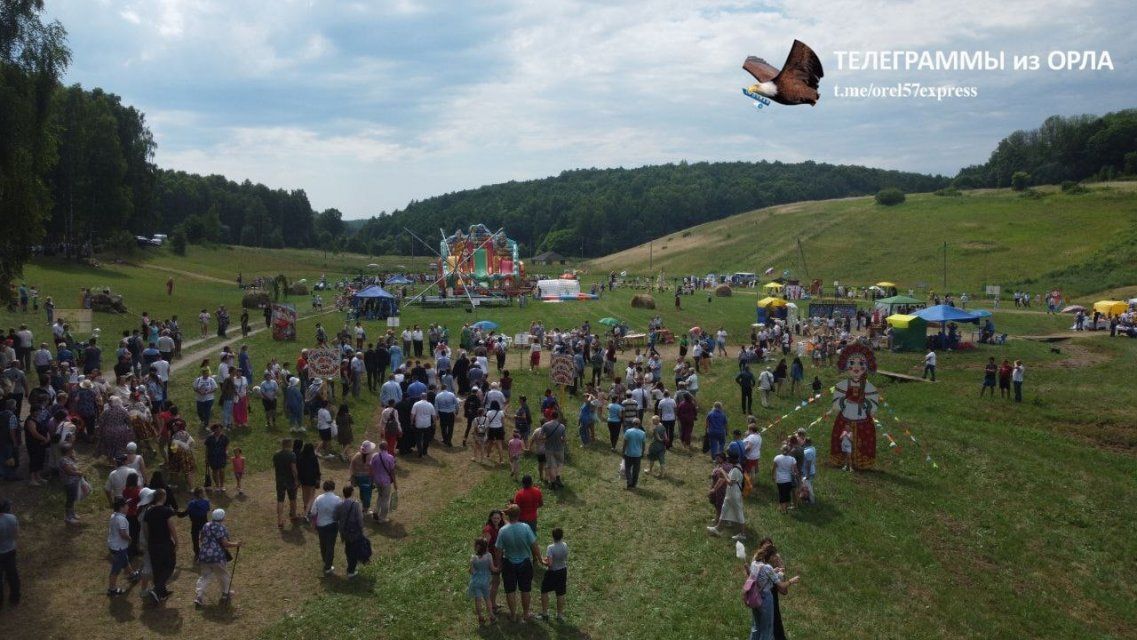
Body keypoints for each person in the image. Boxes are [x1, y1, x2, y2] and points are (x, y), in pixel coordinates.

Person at [494, 504, 543, 623]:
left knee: (510, 590)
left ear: (508, 516)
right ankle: (526, 614)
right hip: (525, 562)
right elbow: (534, 545)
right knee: (525, 590)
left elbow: (498, 550)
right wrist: (540, 559)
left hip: (509, 563)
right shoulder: (525, 527)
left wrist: (498, 565)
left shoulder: (503, 530)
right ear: (519, 514)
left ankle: (513, 615)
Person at [745, 542, 799, 640]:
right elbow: (782, 585)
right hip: (766, 600)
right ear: (770, 556)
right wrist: (791, 581)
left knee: (756, 628)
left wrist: (775, 572)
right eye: (774, 555)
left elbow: (760, 578)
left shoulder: (755, 563)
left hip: (756, 598)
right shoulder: (768, 567)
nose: (776, 557)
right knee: (767, 630)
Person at [143, 488, 178, 602]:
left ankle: (161, 593)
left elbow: (146, 529)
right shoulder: (166, 510)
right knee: (170, 565)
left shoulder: (148, 512)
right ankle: (157, 589)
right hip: (165, 543)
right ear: (163, 497)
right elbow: (171, 527)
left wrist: (149, 541)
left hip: (153, 544)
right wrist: (176, 541)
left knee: (157, 569)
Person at [708, 454, 746, 540]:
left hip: (734, 494)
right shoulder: (736, 466)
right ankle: (717, 528)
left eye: (730, 458)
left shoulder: (736, 469)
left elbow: (730, 482)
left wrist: (722, 471)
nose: (728, 459)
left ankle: (743, 534)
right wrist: (724, 472)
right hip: (730, 494)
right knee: (724, 510)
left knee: (739, 513)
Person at [310, 480, 342, 575]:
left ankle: (325, 561)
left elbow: (313, 512)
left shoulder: (319, 498)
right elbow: (340, 513)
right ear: (333, 487)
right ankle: (328, 566)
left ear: (324, 488)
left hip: (321, 525)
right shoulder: (337, 499)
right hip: (332, 524)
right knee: (330, 546)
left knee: (323, 544)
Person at [106, 497, 137, 596]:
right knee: (116, 570)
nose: (128, 507)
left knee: (125, 561)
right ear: (121, 507)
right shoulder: (122, 519)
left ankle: (132, 575)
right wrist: (130, 539)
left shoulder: (113, 516)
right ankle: (112, 589)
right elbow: (122, 533)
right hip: (118, 547)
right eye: (126, 505)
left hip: (114, 545)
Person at [538, 527, 569, 622]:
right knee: (560, 593)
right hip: (563, 570)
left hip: (553, 572)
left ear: (553, 536)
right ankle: (559, 615)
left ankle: (545, 614)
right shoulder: (564, 545)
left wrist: (543, 561)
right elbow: (563, 556)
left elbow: (550, 564)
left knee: (544, 591)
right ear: (561, 536)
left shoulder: (550, 548)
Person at [335, 485, 367, 578]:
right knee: (354, 550)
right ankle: (351, 571)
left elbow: (336, 517)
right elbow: (360, 519)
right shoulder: (356, 504)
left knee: (348, 549)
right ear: (352, 492)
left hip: (344, 532)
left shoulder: (340, 504)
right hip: (355, 531)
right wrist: (361, 529)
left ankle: (350, 564)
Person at [468, 538, 499, 626]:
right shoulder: (488, 556)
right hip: (485, 581)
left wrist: (471, 568)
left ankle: (480, 618)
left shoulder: (473, 558)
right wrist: (498, 569)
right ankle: (491, 616)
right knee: (487, 598)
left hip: (475, 581)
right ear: (486, 547)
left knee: (478, 600)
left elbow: (472, 571)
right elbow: (492, 568)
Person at [273, 438, 299, 528]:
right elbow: (294, 469)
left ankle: (280, 520)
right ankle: (293, 515)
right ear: (289, 444)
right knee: (292, 498)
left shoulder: (276, 455)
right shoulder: (292, 455)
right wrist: (296, 479)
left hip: (280, 480)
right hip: (290, 480)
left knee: (280, 500)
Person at [369, 441, 397, 523]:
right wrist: (395, 483)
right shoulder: (390, 457)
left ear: (380, 448)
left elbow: (371, 469)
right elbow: (392, 471)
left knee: (380, 496)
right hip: (386, 481)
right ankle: (382, 518)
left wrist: (371, 480)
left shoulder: (375, 456)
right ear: (387, 447)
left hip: (377, 480)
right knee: (385, 499)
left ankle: (376, 511)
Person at [538, 411, 566, 488]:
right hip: (559, 448)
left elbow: (540, 437)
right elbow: (563, 439)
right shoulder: (562, 426)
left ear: (551, 416)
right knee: (560, 463)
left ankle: (553, 483)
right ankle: (558, 477)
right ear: (558, 417)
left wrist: (546, 439)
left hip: (549, 449)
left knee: (551, 466)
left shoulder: (545, 425)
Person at [0, 499, 17, 608]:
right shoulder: (12, 518)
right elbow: (16, 534)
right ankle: (15, 597)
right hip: (11, 549)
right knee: (13, 574)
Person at [204, 423, 230, 493]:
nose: (218, 431)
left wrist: (227, 452)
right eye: (217, 429)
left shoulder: (224, 437)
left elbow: (226, 446)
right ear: (214, 430)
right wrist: (206, 458)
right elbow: (207, 448)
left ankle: (222, 485)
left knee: (222, 470)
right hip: (212, 457)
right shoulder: (209, 438)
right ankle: (217, 486)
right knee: (215, 471)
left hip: (222, 456)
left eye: (220, 429)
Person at [621, 419, 646, 489]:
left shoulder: (628, 432)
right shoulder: (642, 433)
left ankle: (629, 481)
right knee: (636, 470)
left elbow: (625, 443)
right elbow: (643, 445)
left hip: (628, 453)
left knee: (627, 469)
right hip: (637, 454)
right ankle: (634, 484)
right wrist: (642, 453)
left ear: (632, 423)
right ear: (639, 424)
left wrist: (623, 452)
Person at [186, 487, 211, 558]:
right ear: (200, 494)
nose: (204, 493)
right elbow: (207, 510)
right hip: (204, 521)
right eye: (203, 492)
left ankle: (197, 552)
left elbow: (187, 512)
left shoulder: (191, 503)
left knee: (195, 538)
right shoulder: (206, 502)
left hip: (195, 522)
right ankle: (207, 550)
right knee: (206, 536)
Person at [773, 445, 797, 514]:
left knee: (781, 493)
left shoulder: (777, 458)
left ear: (781, 450)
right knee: (787, 494)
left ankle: (782, 508)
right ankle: (785, 508)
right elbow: (795, 470)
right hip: (788, 479)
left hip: (779, 479)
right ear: (789, 451)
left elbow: (774, 468)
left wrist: (773, 476)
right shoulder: (792, 459)